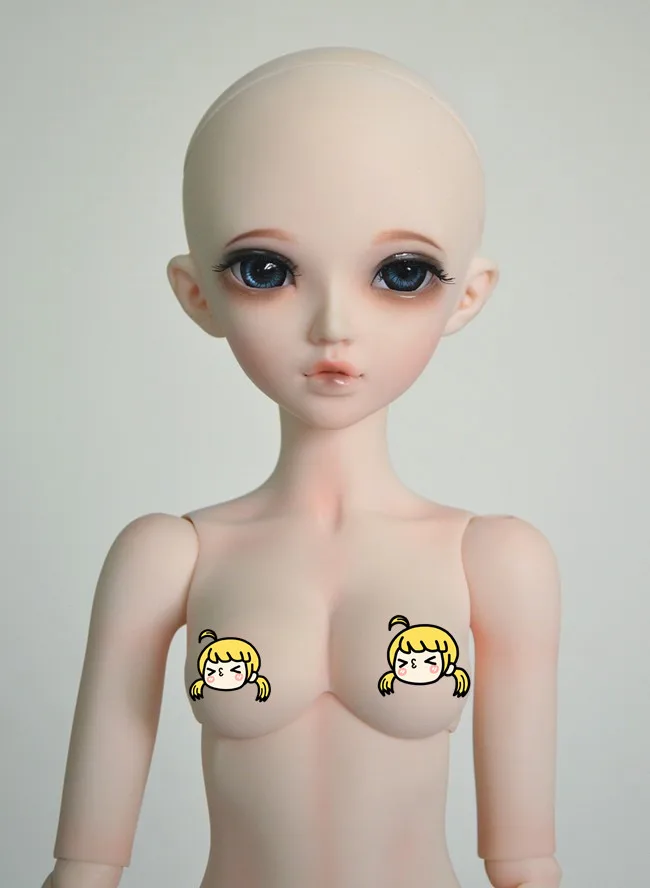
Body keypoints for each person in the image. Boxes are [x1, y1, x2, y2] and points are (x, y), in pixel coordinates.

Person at [42, 47, 562, 888]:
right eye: (267, 271)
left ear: (466, 294)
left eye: (401, 274)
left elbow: (527, 864)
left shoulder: (495, 561)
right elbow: (84, 865)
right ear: (197, 293)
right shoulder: (169, 557)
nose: (333, 326)